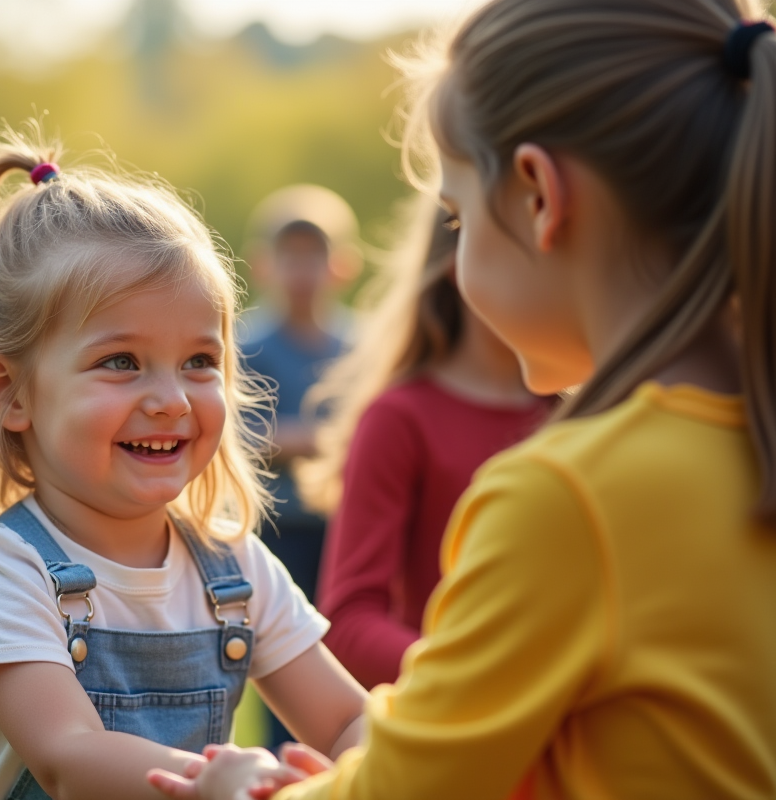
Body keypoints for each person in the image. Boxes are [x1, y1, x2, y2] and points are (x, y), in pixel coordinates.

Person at [147, 0, 776, 798]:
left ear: (539, 196)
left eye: (457, 213)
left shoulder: (566, 495)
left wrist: (237, 793)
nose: (452, 246)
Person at [0, 126, 369, 800]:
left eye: (199, 362)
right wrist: (218, 783)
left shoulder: (236, 570)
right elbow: (68, 757)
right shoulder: (2, 567)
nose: (169, 400)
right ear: (8, 392)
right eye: (121, 362)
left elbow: (346, 718)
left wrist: (372, 761)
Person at [300, 195, 550, 690]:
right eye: (535, 247)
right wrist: (473, 674)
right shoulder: (400, 419)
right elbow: (348, 621)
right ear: (464, 264)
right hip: (458, 727)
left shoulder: (582, 413)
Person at [237, 184, 361, 748]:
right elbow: (229, 433)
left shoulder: (359, 345)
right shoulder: (246, 345)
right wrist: (306, 439)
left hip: (347, 533)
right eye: (291, 257)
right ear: (266, 264)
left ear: (343, 264)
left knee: (346, 672)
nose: (302, 271)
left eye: (315, 256)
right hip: (275, 531)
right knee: (283, 669)